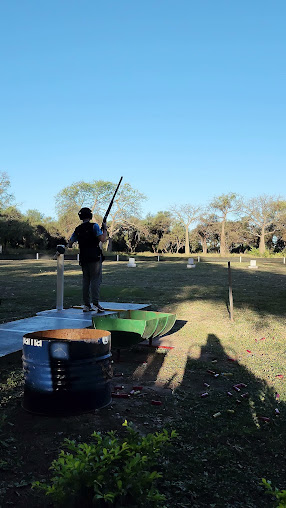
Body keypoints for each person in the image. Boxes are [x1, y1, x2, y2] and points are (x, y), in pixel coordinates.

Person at [68, 207, 107, 312]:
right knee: (95, 280)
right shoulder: (94, 226)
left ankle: (86, 305)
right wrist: (105, 229)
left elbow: (70, 243)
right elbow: (103, 239)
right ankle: (95, 303)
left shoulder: (78, 229)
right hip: (95, 257)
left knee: (86, 281)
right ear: (90, 216)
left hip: (83, 258)